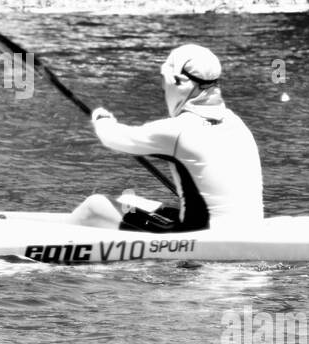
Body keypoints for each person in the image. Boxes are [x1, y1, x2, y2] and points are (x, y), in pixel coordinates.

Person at [69, 44, 264, 232]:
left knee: (94, 205)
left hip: (202, 235)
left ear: (177, 82)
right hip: (249, 229)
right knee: (129, 201)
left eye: (164, 80)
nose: (163, 88)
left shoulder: (179, 130)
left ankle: (59, 244)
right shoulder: (236, 123)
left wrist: (101, 119)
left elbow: (113, 138)